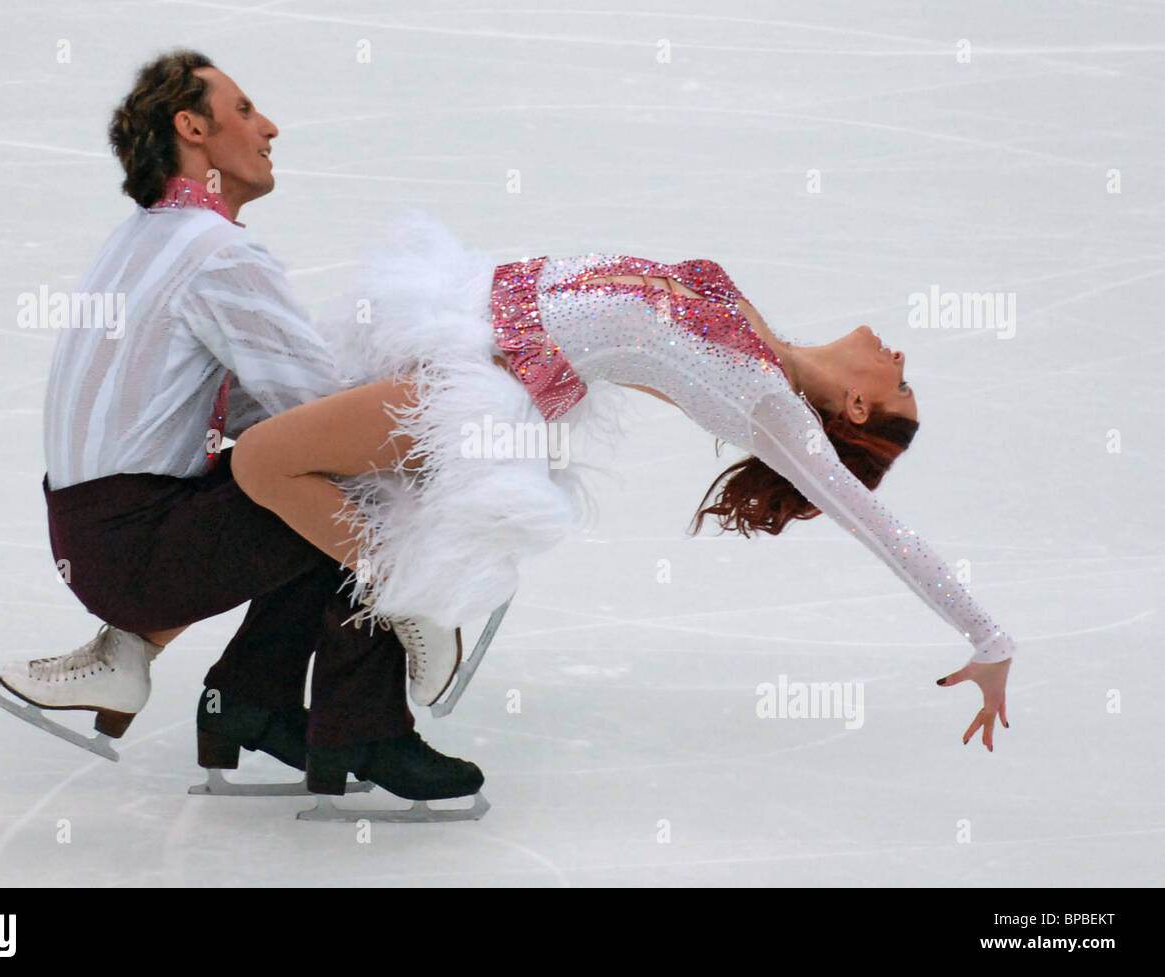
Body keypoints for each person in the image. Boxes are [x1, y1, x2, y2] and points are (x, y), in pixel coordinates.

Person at [223, 210, 1014, 765]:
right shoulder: (767, 343)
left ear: (857, 408)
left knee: (260, 459)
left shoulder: (772, 406)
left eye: (900, 387)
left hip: (482, 382)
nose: (902, 357)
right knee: (252, 408)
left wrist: (989, 638)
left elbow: (877, 525)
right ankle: (199, 667)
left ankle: (411, 602)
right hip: (459, 314)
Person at [0, 51, 483, 805]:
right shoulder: (218, 254)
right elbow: (316, 415)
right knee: (360, 487)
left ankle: (252, 699)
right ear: (192, 127)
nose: (270, 127)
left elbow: (251, 406)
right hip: (138, 545)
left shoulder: (142, 238)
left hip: (95, 535)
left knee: (297, 480)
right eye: (246, 110)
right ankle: (365, 726)